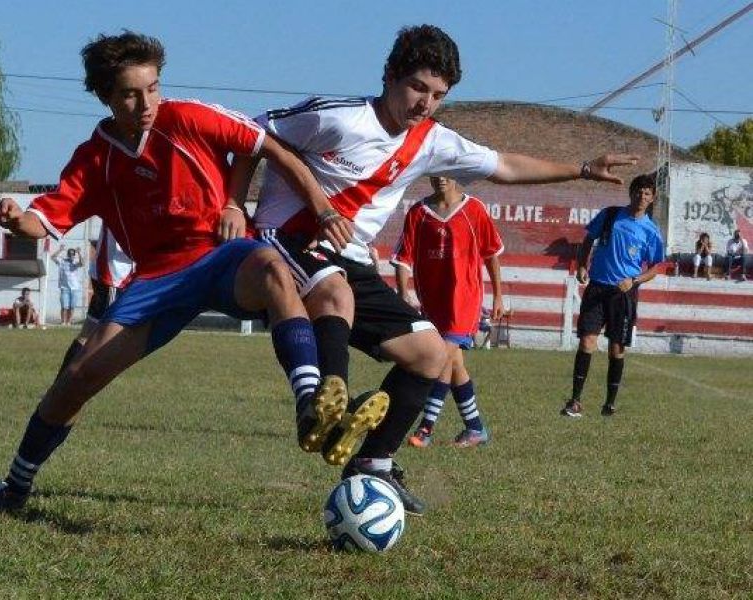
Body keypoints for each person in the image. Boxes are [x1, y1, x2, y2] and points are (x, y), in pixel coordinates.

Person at [242, 24, 638, 514]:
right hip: (289, 240)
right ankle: (329, 409)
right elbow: (249, 136)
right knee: (336, 294)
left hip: (351, 257)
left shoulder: (432, 142)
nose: (425, 103)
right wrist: (233, 205)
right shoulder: (337, 118)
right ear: (389, 75)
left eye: (438, 95)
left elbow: (506, 167)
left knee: (433, 357)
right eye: (417, 88)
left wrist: (580, 169)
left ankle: (373, 464)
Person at [0, 31, 363, 514]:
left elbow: (267, 146)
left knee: (272, 268)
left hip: (219, 257)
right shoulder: (95, 161)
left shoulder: (188, 118)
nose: (147, 102)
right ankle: (14, 488)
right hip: (156, 280)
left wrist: (307, 209)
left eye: (153, 87)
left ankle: (308, 405)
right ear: (106, 96)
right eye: (131, 93)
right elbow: (44, 221)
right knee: (76, 379)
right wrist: (14, 216)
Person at [391, 176, 504, 449]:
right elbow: (403, 257)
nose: (441, 177)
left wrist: (499, 294)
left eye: (447, 171)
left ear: (458, 174)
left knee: (442, 356)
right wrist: (403, 291)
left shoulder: (474, 210)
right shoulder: (418, 213)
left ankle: (426, 428)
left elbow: (490, 254)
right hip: (432, 301)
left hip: (465, 298)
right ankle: (475, 428)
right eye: (435, 171)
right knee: (455, 365)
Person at [561, 173, 664, 418]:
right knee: (587, 342)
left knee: (616, 349)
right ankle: (574, 401)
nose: (642, 196)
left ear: (652, 199)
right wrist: (582, 265)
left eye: (647, 193)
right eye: (638, 191)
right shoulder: (610, 215)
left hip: (623, 294)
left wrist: (635, 281)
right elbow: (588, 239)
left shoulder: (651, 231)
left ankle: (609, 403)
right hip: (597, 287)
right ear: (631, 193)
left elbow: (655, 268)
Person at [56, 225, 134, 375]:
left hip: (106, 274)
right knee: (107, 339)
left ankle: (60, 385)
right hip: (115, 275)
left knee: (87, 334)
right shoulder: (130, 206)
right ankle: (69, 386)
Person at [52, 246, 84, 325]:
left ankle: (69, 321)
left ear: (74, 255)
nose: (71, 255)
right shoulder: (62, 261)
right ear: (67, 254)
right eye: (70, 254)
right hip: (64, 288)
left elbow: (82, 263)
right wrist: (60, 250)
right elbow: (53, 257)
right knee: (64, 306)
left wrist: (79, 253)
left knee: (72, 306)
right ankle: (63, 321)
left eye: (73, 254)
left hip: (75, 288)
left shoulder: (75, 262)